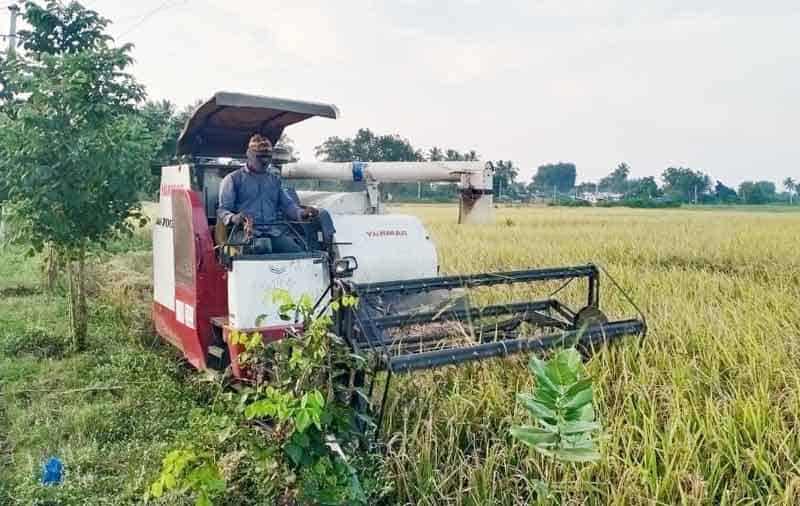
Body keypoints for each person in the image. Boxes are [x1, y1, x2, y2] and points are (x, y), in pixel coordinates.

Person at [218, 134, 318, 253]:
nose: (265, 161)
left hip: (272, 232)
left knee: (298, 253)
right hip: (243, 233)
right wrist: (234, 217)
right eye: (260, 157)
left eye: (268, 157)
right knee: (262, 248)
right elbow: (222, 211)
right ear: (249, 154)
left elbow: (287, 205)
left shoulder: (274, 180)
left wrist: (303, 213)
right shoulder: (233, 179)